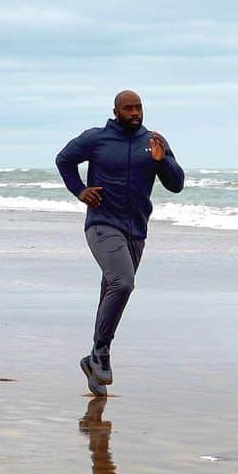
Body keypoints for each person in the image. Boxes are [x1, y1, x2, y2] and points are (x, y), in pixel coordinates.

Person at [55, 90, 185, 395]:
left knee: (110, 291)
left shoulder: (154, 142)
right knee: (122, 282)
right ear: (116, 111)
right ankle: (101, 353)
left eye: (138, 108)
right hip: (102, 224)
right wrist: (80, 190)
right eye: (128, 109)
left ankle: (93, 365)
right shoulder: (96, 139)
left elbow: (176, 184)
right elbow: (63, 160)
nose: (135, 113)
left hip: (136, 231)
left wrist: (162, 160)